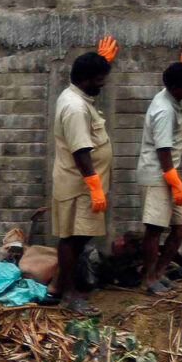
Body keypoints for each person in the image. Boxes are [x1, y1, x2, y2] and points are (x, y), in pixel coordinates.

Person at [48, 37, 118, 316]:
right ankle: (70, 295)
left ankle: (58, 286)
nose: (103, 84)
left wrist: (102, 63)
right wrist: (95, 187)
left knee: (77, 238)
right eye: (100, 79)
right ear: (86, 79)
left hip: (80, 184)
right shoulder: (76, 108)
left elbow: (89, 80)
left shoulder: (77, 95)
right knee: (73, 238)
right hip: (79, 185)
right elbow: (81, 152)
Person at [136, 51, 182, 295]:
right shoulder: (165, 111)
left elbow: (167, 153)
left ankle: (159, 272)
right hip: (158, 176)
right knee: (154, 229)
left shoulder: (171, 98)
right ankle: (148, 279)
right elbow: (163, 152)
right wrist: (175, 184)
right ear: (175, 87)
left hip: (168, 174)